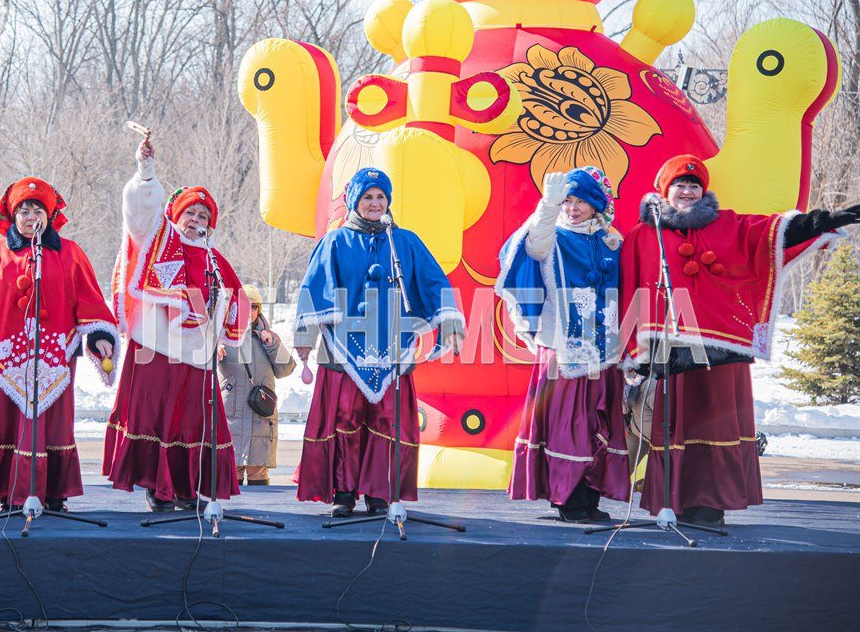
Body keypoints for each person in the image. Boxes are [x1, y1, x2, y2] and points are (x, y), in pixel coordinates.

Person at [621, 155, 860, 526]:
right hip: (670, 351)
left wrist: (826, 220)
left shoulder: (727, 225)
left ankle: (709, 506)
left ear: (704, 191)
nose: (687, 191)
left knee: (714, 424)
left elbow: (774, 232)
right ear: (664, 190)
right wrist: (634, 349)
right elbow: (629, 288)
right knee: (672, 425)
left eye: (694, 185)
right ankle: (674, 502)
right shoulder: (643, 233)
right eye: (679, 185)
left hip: (720, 350)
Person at [293, 167, 465, 517]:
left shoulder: (404, 242)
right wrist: (305, 341)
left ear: (389, 202)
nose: (375, 203)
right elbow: (313, 290)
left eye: (380, 197)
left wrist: (448, 321)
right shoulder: (335, 242)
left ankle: (380, 493)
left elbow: (434, 282)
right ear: (354, 201)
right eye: (367, 197)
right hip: (343, 351)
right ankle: (344, 493)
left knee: (388, 420)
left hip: (392, 350)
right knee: (344, 418)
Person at [0, 178, 118, 512]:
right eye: (23, 210)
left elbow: (90, 300)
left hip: (54, 358)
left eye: (37, 209)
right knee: (7, 424)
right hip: (6, 359)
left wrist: (99, 336)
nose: (29, 216)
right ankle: (7, 494)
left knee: (53, 426)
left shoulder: (70, 253)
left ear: (49, 214)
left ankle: (54, 494)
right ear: (12, 216)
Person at [104, 135, 246, 512]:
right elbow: (140, 211)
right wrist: (146, 172)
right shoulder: (158, 239)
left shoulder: (216, 259)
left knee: (191, 422)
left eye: (203, 216)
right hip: (156, 349)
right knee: (155, 417)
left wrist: (226, 327)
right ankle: (157, 486)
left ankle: (186, 488)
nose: (195, 220)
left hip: (196, 358)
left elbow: (234, 298)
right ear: (174, 215)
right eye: (189, 213)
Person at [497, 167, 630, 523]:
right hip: (563, 349)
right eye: (567, 201)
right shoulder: (552, 238)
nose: (572, 208)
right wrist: (548, 204)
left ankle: (588, 496)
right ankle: (566, 497)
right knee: (566, 426)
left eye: (580, 201)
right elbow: (531, 244)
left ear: (595, 205)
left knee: (595, 425)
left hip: (604, 351)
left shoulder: (611, 241)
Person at [219, 285, 297, 486]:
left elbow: (286, 370)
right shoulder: (223, 338)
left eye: (254, 307)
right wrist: (214, 350)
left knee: (259, 484)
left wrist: (272, 345)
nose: (250, 311)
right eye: (245, 306)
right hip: (231, 419)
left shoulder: (269, 338)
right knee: (230, 482)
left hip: (260, 420)